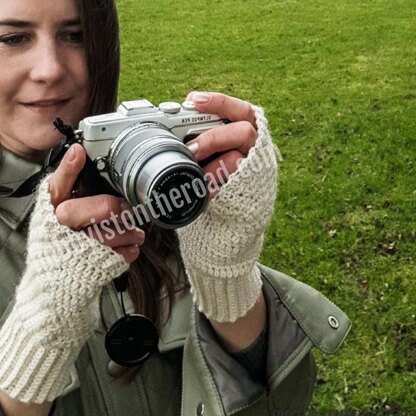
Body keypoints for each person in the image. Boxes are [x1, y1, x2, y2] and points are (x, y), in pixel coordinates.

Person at [0, 0, 351, 415]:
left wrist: (228, 273)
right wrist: (42, 325)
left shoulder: (156, 184)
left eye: (74, 35)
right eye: (13, 38)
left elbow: (284, 404)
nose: (50, 68)